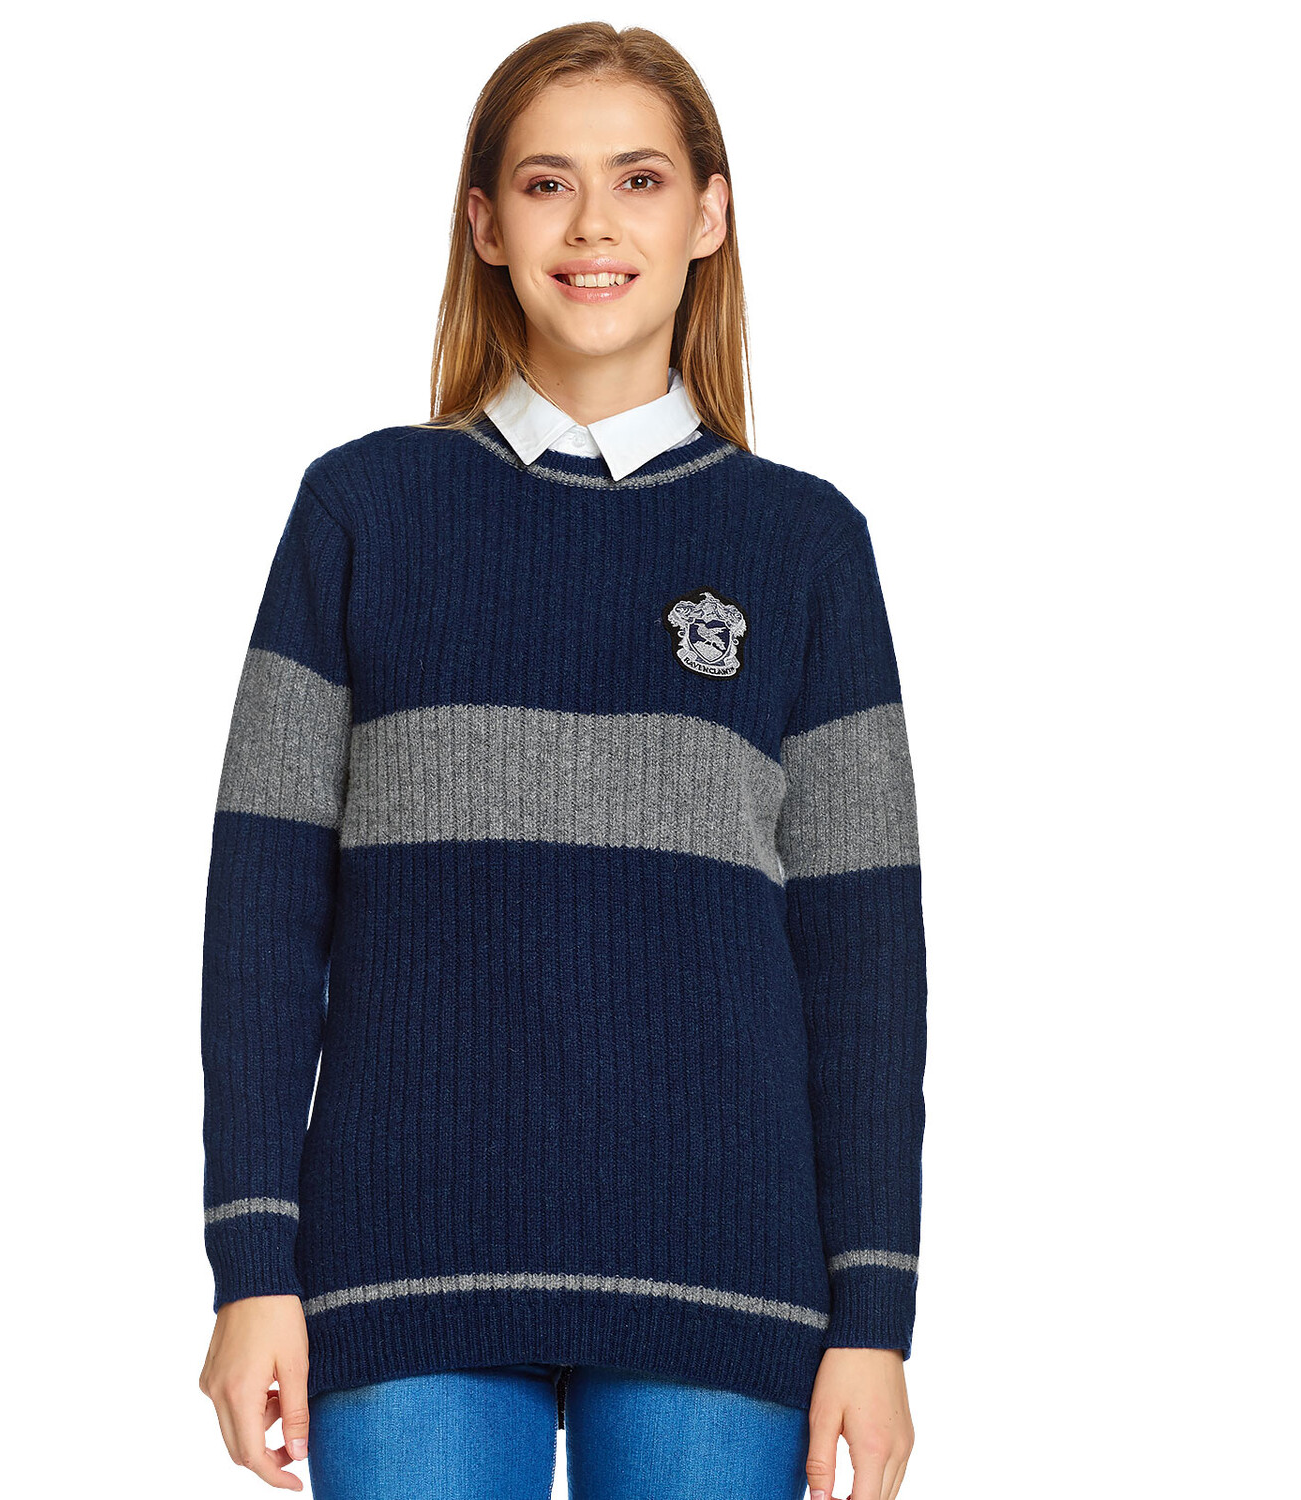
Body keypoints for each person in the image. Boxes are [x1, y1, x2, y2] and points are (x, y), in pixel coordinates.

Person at [197, 22, 928, 1500]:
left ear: (709, 216)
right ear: (484, 224)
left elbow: (864, 959)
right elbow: (262, 916)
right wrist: (250, 1265)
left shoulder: (805, 545)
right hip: (402, 1259)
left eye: (639, 180)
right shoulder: (360, 512)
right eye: (547, 184)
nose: (595, 225)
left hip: (723, 1272)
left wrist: (876, 1319)